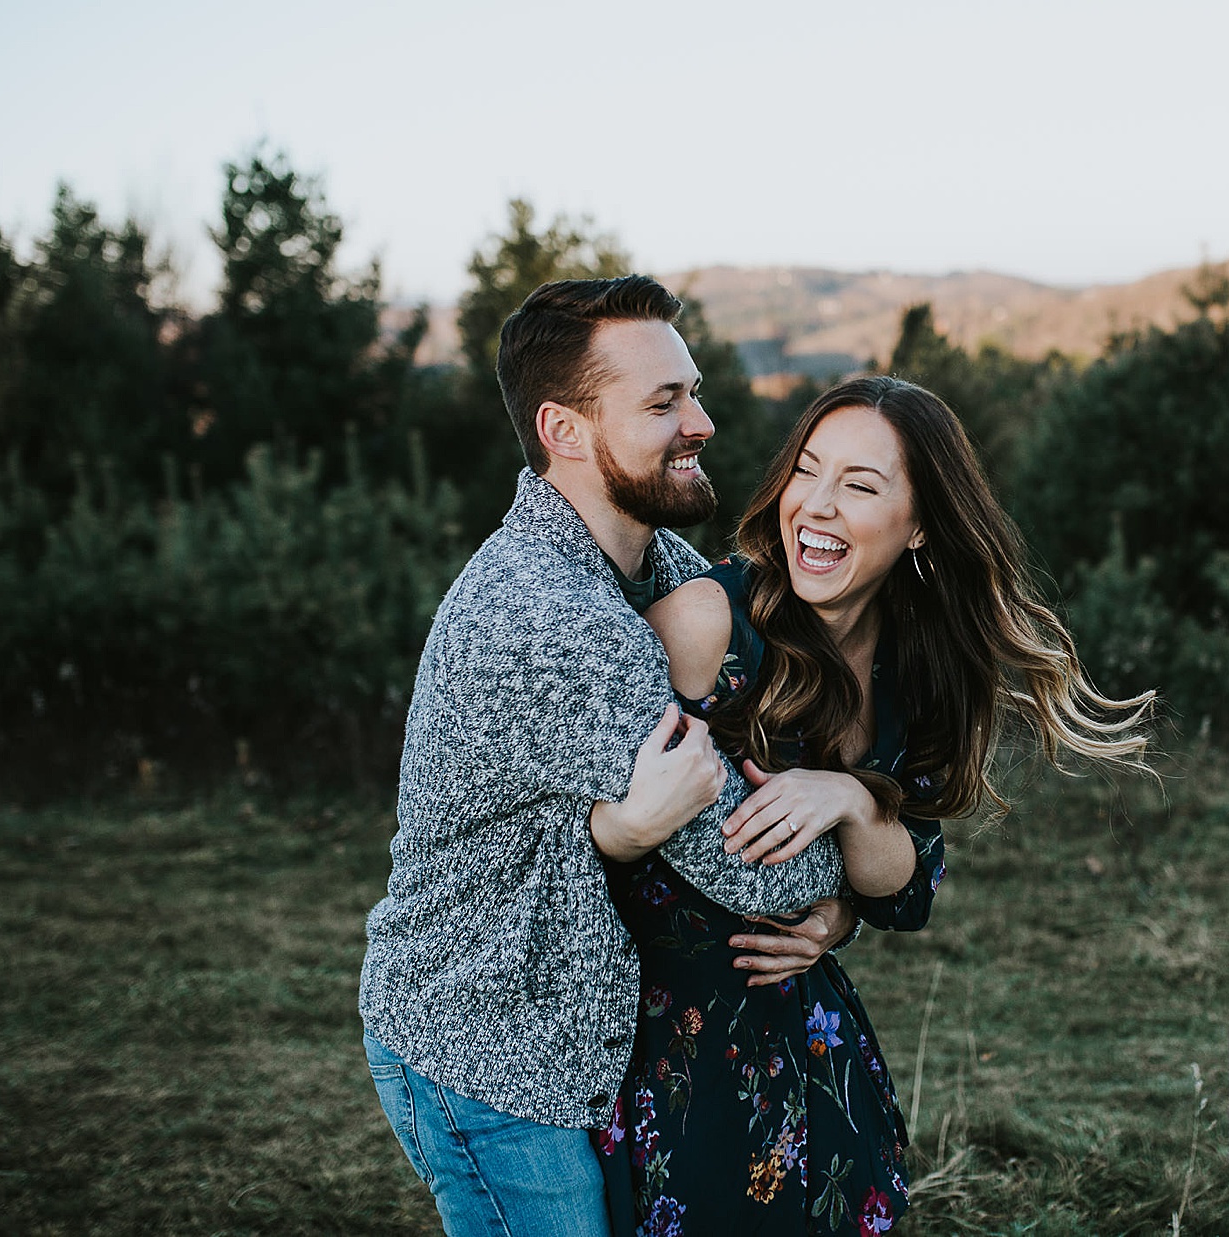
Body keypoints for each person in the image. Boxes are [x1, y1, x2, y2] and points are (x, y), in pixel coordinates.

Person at [595, 375, 1155, 1235]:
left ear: (922, 522)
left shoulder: (922, 665)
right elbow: (582, 839)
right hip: (671, 1067)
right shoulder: (709, 622)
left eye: (859, 486)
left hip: (818, 1066)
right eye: (806, 472)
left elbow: (908, 888)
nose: (816, 507)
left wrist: (852, 802)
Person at [359, 276, 856, 1237]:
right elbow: (745, 859)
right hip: (489, 1051)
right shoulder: (548, 614)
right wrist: (865, 856)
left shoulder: (652, 567)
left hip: (573, 1036)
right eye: (663, 402)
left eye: (694, 391)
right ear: (566, 430)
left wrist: (842, 803)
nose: (701, 421)